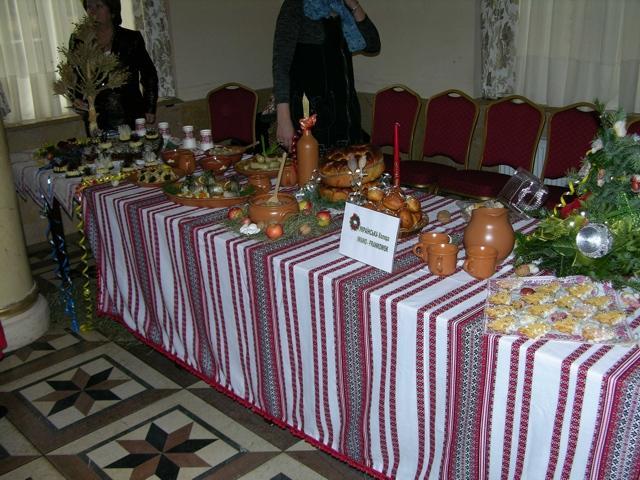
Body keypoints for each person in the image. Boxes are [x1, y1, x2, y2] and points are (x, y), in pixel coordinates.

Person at [272, 0, 380, 154]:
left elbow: (373, 44)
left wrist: (353, 5)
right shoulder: (295, 4)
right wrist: (283, 120)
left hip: (347, 116)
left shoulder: (342, 8)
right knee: (312, 169)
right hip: (313, 118)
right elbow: (281, 64)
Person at [73, 0, 158, 132]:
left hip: (129, 113)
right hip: (96, 116)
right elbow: (74, 75)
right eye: (89, 7)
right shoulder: (79, 40)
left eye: (98, 6)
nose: (93, 11)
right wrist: (76, 98)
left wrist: (150, 107)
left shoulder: (131, 39)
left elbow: (149, 74)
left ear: (112, 11)